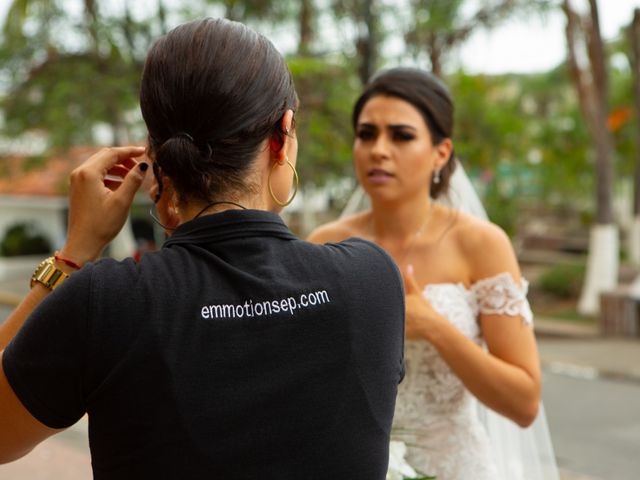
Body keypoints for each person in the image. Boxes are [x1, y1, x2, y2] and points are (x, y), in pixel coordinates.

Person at [0, 19, 405, 479]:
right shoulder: (371, 281)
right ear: (283, 133)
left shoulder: (106, 303)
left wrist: (73, 254)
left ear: (156, 153)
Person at [309, 67, 558, 479]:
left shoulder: (479, 244)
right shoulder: (326, 245)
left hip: (455, 467)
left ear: (441, 153)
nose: (379, 150)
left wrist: (434, 327)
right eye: (366, 134)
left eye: (401, 135)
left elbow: (525, 403)